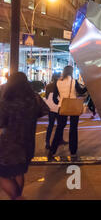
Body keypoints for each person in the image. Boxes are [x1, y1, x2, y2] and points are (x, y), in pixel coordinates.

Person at [0, 72, 50, 200]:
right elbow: (45, 110)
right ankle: (17, 197)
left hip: (9, 144)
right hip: (27, 143)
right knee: (19, 172)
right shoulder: (34, 98)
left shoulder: (7, 100)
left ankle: (17, 197)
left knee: (3, 174)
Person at [48, 66, 86, 159]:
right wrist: (88, 86)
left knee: (59, 128)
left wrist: (60, 103)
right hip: (73, 106)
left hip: (62, 107)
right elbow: (81, 91)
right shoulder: (74, 81)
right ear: (71, 72)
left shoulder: (58, 82)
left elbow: (54, 98)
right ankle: (73, 151)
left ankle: (52, 151)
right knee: (73, 128)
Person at [44, 73, 66, 150]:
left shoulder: (49, 85)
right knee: (60, 124)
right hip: (58, 106)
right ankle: (60, 139)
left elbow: (46, 96)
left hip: (51, 108)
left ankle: (47, 142)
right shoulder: (59, 85)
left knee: (51, 125)